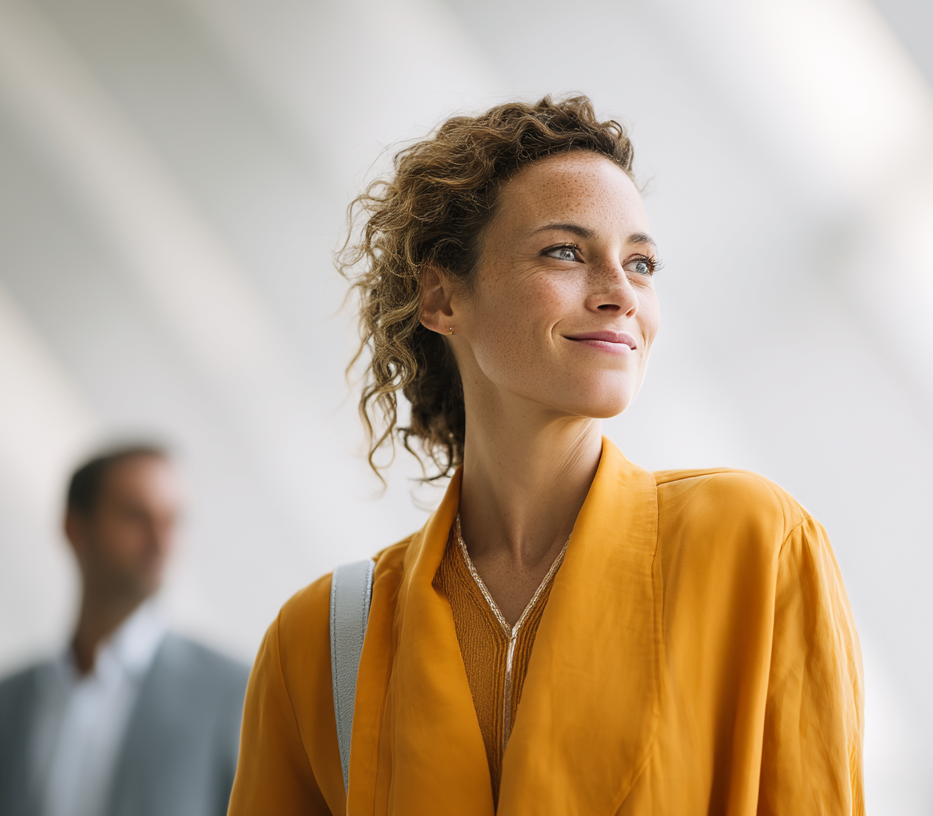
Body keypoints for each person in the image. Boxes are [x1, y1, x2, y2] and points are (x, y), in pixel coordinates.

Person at [228, 95, 864, 815]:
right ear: (442, 296)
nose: (621, 293)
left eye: (642, 262)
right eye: (565, 252)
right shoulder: (319, 642)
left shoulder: (752, 542)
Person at [0, 445, 249, 816]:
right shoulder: (10, 700)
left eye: (173, 520)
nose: (161, 542)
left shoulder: (232, 694)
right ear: (75, 529)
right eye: (136, 517)